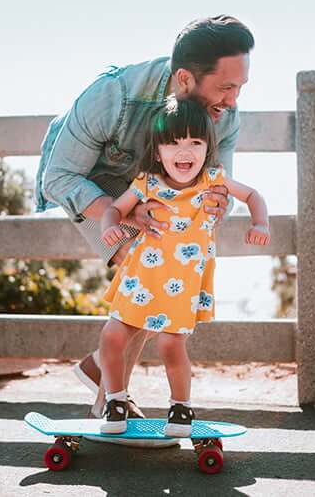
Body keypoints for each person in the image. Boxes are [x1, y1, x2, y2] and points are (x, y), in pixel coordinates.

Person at [34, 15, 255, 427]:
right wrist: (123, 211)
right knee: (147, 267)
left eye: (240, 87)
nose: (234, 100)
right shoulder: (113, 95)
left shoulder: (224, 114)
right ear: (185, 80)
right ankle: (107, 402)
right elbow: (58, 178)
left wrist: (216, 203)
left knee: (169, 269)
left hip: (157, 190)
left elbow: (215, 188)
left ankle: (101, 368)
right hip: (92, 183)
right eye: (226, 87)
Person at [98, 97, 269, 435]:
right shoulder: (147, 182)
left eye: (195, 142)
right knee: (111, 337)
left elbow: (253, 196)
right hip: (141, 278)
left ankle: (181, 409)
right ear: (157, 150)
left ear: (208, 147)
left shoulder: (212, 179)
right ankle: (115, 401)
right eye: (173, 143)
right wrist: (109, 226)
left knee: (170, 344)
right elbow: (113, 210)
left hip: (182, 282)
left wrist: (260, 223)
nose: (184, 151)